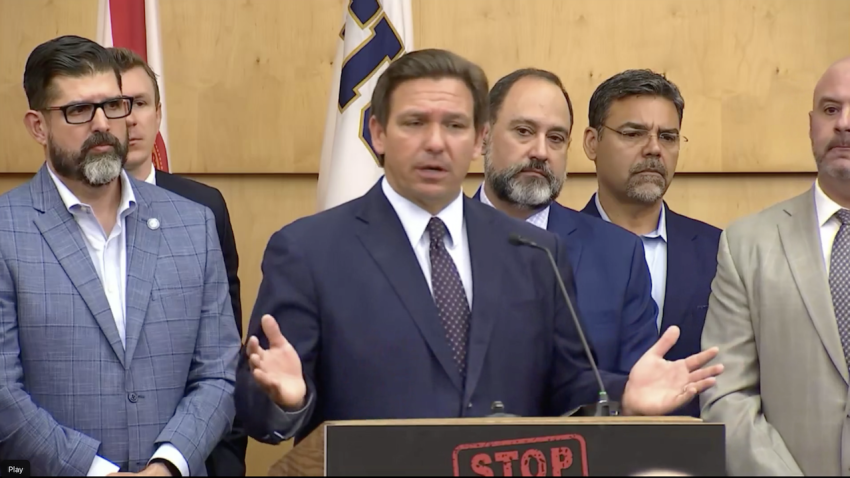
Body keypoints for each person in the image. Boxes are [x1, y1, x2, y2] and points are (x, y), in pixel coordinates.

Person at [235, 48, 723, 444]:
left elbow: (568, 387)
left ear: (476, 140)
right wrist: (287, 399)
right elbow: (259, 412)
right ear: (377, 133)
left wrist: (623, 397)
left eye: (453, 126)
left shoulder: (534, 251)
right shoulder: (309, 250)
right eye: (414, 123)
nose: (435, 143)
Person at [0, 35, 240, 476]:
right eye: (78, 110)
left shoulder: (193, 222)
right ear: (38, 126)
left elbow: (218, 373)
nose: (103, 124)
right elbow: (3, 393)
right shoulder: (5, 230)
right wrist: (98, 471)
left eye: (114, 106)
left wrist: (168, 464)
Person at [700, 56, 850, 475]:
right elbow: (726, 395)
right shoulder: (747, 244)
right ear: (811, 124)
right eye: (830, 109)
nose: (843, 123)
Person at [107, 46, 247, 476]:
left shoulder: (203, 209)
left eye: (141, 104)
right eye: (117, 105)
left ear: (159, 115)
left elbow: (223, 356)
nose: (130, 119)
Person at [475, 68, 658, 376]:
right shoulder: (437, 238)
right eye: (523, 131)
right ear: (484, 137)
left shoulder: (619, 256)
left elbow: (637, 390)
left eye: (556, 138)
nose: (541, 152)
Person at [580, 69, 722, 417]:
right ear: (591, 143)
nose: (654, 149)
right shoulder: (552, 247)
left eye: (668, 136)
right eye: (633, 133)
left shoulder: (719, 251)